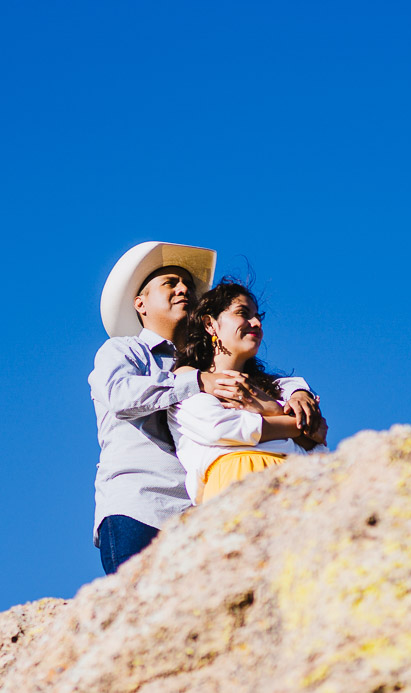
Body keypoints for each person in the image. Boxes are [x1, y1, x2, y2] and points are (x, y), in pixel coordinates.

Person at [89, 242, 321, 575]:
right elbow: (122, 397)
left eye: (186, 284)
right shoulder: (124, 351)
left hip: (199, 510)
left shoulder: (203, 362)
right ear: (140, 303)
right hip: (141, 505)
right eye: (170, 283)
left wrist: (298, 391)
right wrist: (197, 382)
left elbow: (261, 381)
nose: (184, 288)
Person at [169, 280, 329, 504]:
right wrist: (286, 420)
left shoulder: (283, 388)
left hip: (300, 486)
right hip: (235, 479)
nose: (256, 323)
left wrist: (271, 408)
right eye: (242, 313)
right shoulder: (187, 380)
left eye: (258, 317)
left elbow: (318, 446)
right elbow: (220, 428)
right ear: (210, 324)